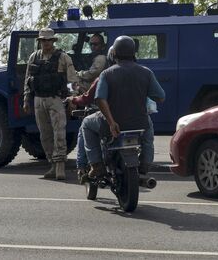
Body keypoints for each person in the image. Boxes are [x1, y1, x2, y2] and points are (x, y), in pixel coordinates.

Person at [82, 35, 165, 178]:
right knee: (149, 129)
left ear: (114, 53)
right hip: (139, 122)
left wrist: (111, 122)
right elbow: (161, 97)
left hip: (114, 125)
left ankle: (96, 165)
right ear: (134, 53)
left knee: (86, 124)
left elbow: (100, 99)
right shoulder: (146, 72)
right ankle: (145, 163)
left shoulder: (106, 74)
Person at [23, 28, 78, 180]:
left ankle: (60, 165)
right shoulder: (34, 57)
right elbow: (28, 80)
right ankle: (52, 165)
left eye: (48, 40)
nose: (46, 43)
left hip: (56, 100)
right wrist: (26, 99)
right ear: (40, 41)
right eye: (43, 40)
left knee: (59, 132)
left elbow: (72, 80)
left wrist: (72, 99)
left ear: (53, 41)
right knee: (45, 135)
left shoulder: (62, 57)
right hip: (39, 100)